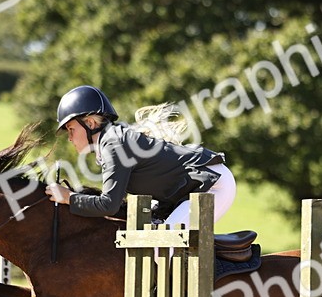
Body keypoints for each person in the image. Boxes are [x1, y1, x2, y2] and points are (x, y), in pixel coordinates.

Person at [45, 85, 237, 227]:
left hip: (213, 184)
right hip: (196, 188)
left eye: (71, 129)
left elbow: (109, 205)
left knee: (163, 246)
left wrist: (69, 197)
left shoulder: (113, 144)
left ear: (90, 123)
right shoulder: (110, 143)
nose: (69, 138)